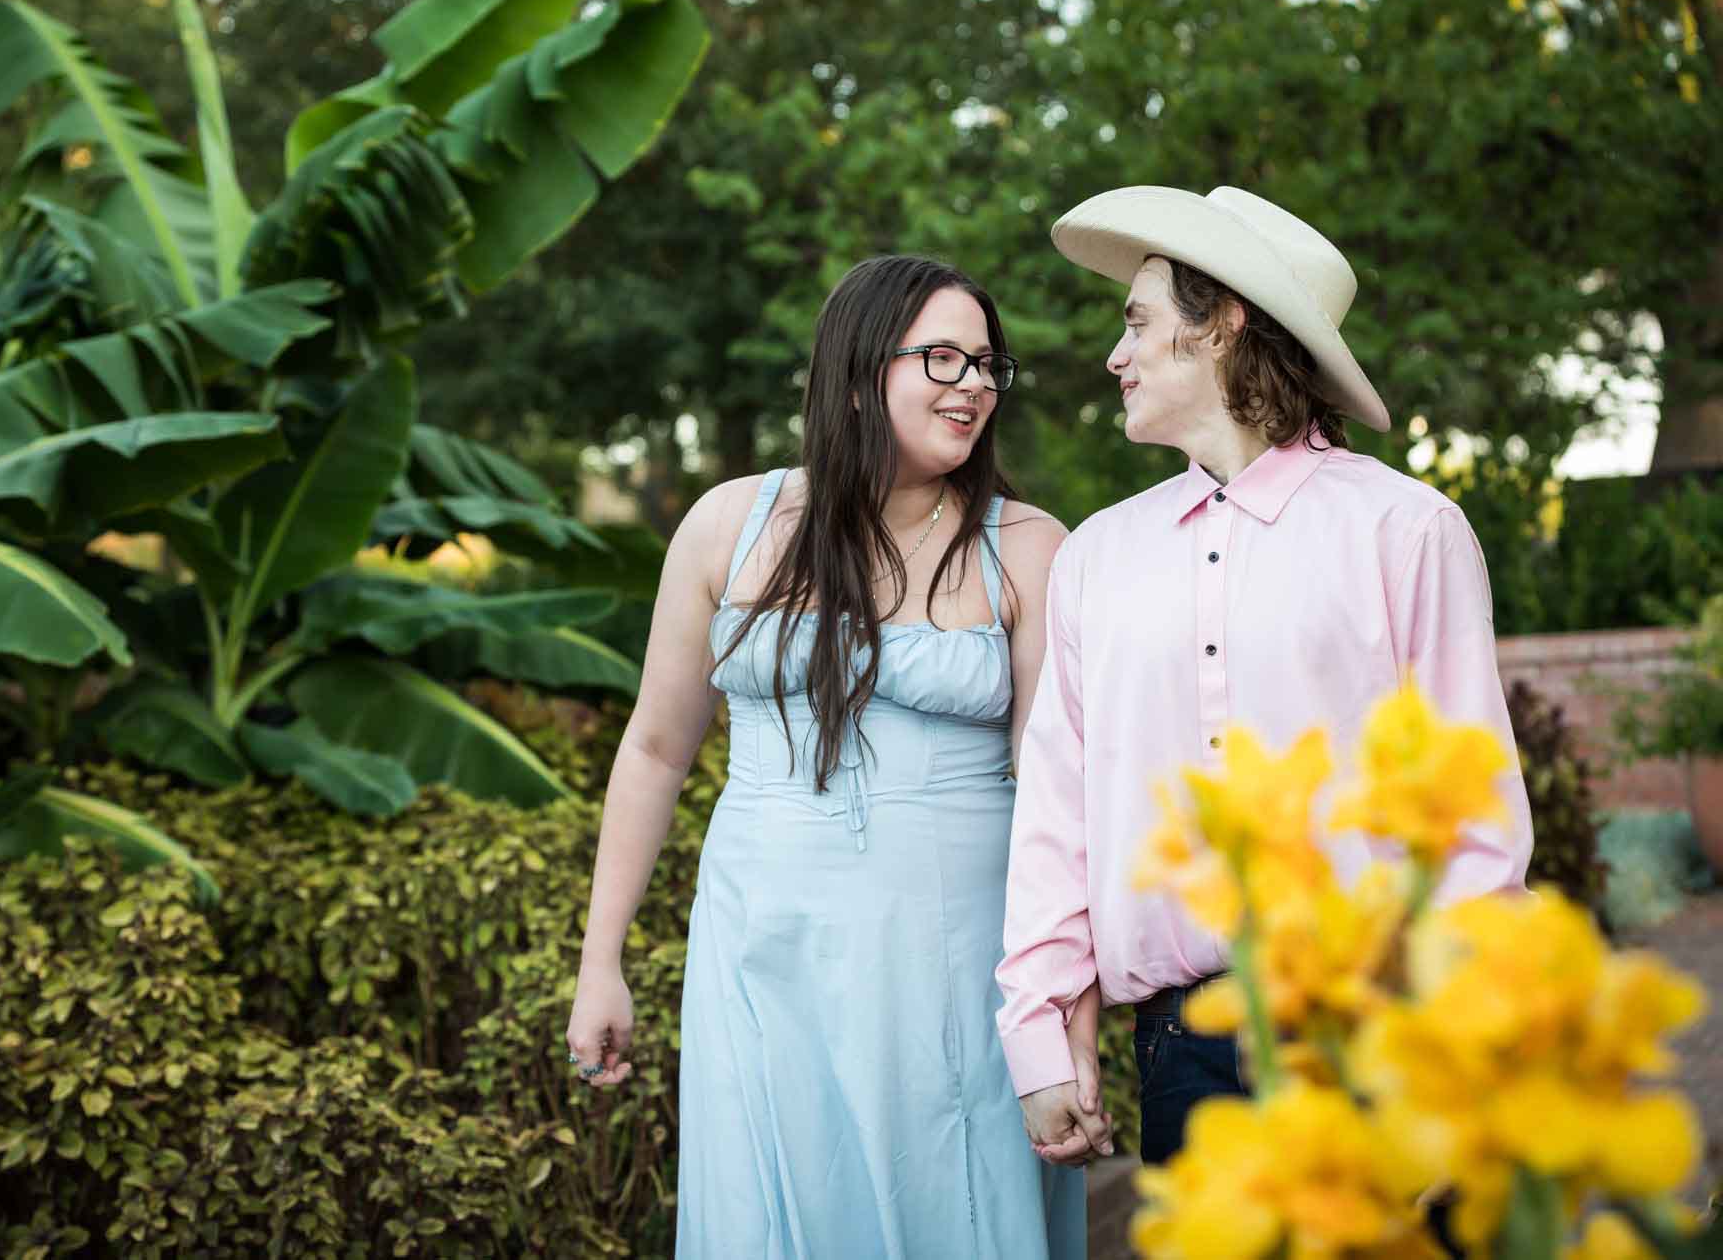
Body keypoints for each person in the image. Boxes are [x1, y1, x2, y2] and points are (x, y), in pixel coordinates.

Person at [565, 255, 1093, 1257]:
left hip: (954, 965)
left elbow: (1060, 806)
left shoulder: (1025, 548)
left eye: (986, 363)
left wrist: (1063, 1022)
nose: (973, 382)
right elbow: (652, 749)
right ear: (856, 372)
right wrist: (602, 963)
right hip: (761, 954)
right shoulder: (730, 524)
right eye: (941, 357)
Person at [997, 186, 1534, 1168]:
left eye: (1137, 323)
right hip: (1179, 1050)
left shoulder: (1405, 531)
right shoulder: (1096, 559)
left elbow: (1473, 817)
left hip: (1380, 1033)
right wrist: (1040, 1033)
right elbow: (1057, 812)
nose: (1113, 356)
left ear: (1221, 326)